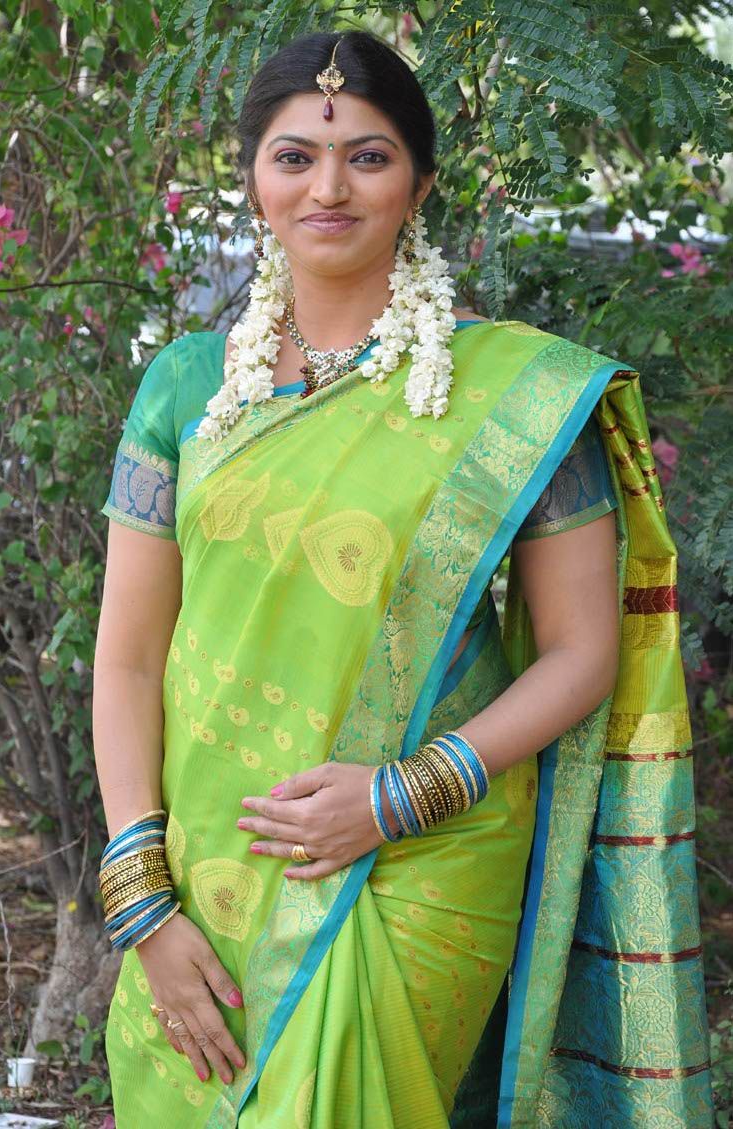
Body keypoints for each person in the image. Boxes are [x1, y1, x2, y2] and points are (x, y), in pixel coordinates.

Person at [92, 29, 712, 1129]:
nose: (328, 188)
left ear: (421, 184)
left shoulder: (517, 395)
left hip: (420, 858)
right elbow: (130, 657)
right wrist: (142, 899)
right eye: (295, 157)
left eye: (368, 157)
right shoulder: (185, 389)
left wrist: (398, 795)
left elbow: (583, 651)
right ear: (253, 181)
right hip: (206, 859)